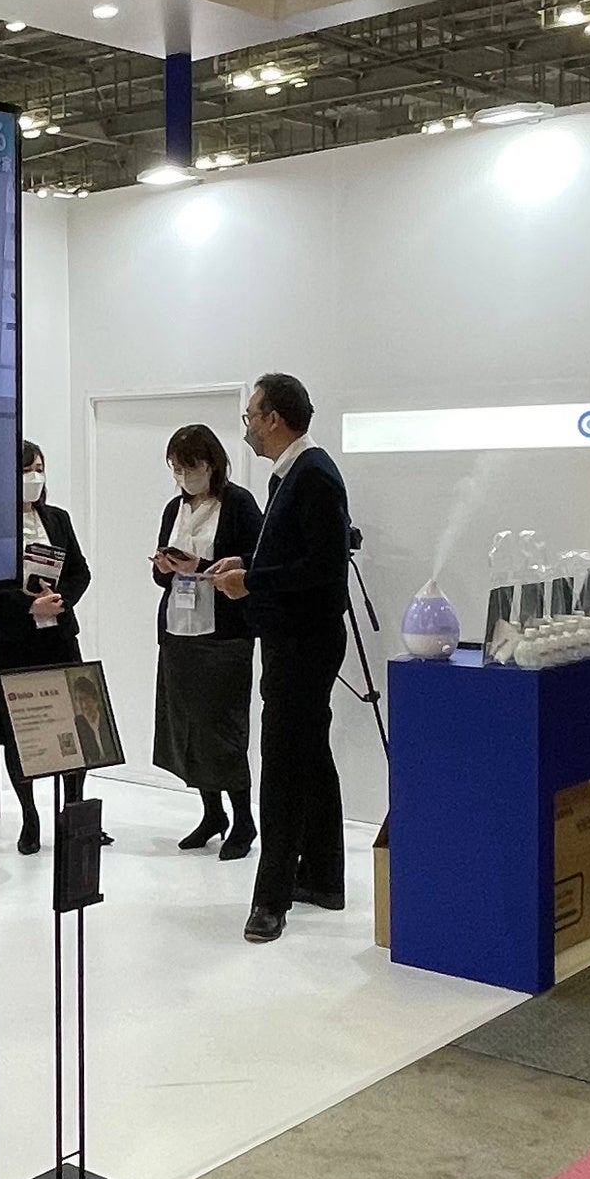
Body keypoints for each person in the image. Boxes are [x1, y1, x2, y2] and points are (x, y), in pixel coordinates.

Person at [211, 373, 351, 944]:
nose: (247, 427)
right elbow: (295, 555)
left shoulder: (313, 475)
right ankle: (323, 876)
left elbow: (323, 569)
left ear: (273, 419)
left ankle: (270, 901)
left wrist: (252, 582)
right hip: (294, 639)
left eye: (251, 416)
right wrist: (247, 565)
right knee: (311, 758)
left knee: (284, 770)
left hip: (303, 644)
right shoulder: (292, 474)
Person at [148, 422, 258, 859]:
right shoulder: (173, 509)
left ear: (211, 463)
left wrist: (202, 564)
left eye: (190, 467)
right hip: (179, 633)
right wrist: (165, 566)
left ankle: (244, 820)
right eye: (176, 469)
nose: (183, 477)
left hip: (223, 636)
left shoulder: (239, 504)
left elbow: (257, 561)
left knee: (223, 731)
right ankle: (212, 813)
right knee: (187, 729)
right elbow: (162, 578)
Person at [0, 438, 96, 857]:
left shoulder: (57, 518)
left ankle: (73, 812)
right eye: (25, 470)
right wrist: (29, 607)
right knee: (21, 734)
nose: (34, 477)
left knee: (76, 727)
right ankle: (30, 817)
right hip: (14, 642)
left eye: (39, 469)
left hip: (58, 639)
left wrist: (61, 600)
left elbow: (80, 571)